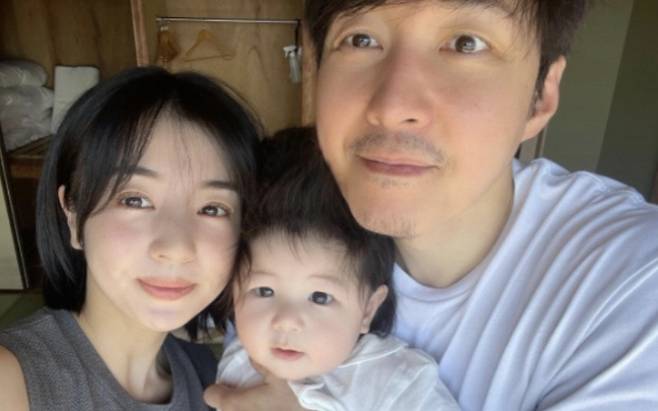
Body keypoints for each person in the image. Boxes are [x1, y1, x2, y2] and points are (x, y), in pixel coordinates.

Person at [205, 1, 658, 410]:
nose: (392, 106)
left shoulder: (633, 282)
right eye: (360, 39)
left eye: (466, 44)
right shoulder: (279, 210)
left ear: (540, 97)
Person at [0, 67, 260, 410]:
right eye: (135, 200)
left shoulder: (212, 378)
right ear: (73, 215)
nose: (176, 248)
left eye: (212, 209)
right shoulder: (12, 381)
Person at [215, 127, 459, 410]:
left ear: (368, 309)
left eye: (320, 297)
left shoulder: (398, 384)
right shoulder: (238, 364)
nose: (286, 320)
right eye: (264, 291)